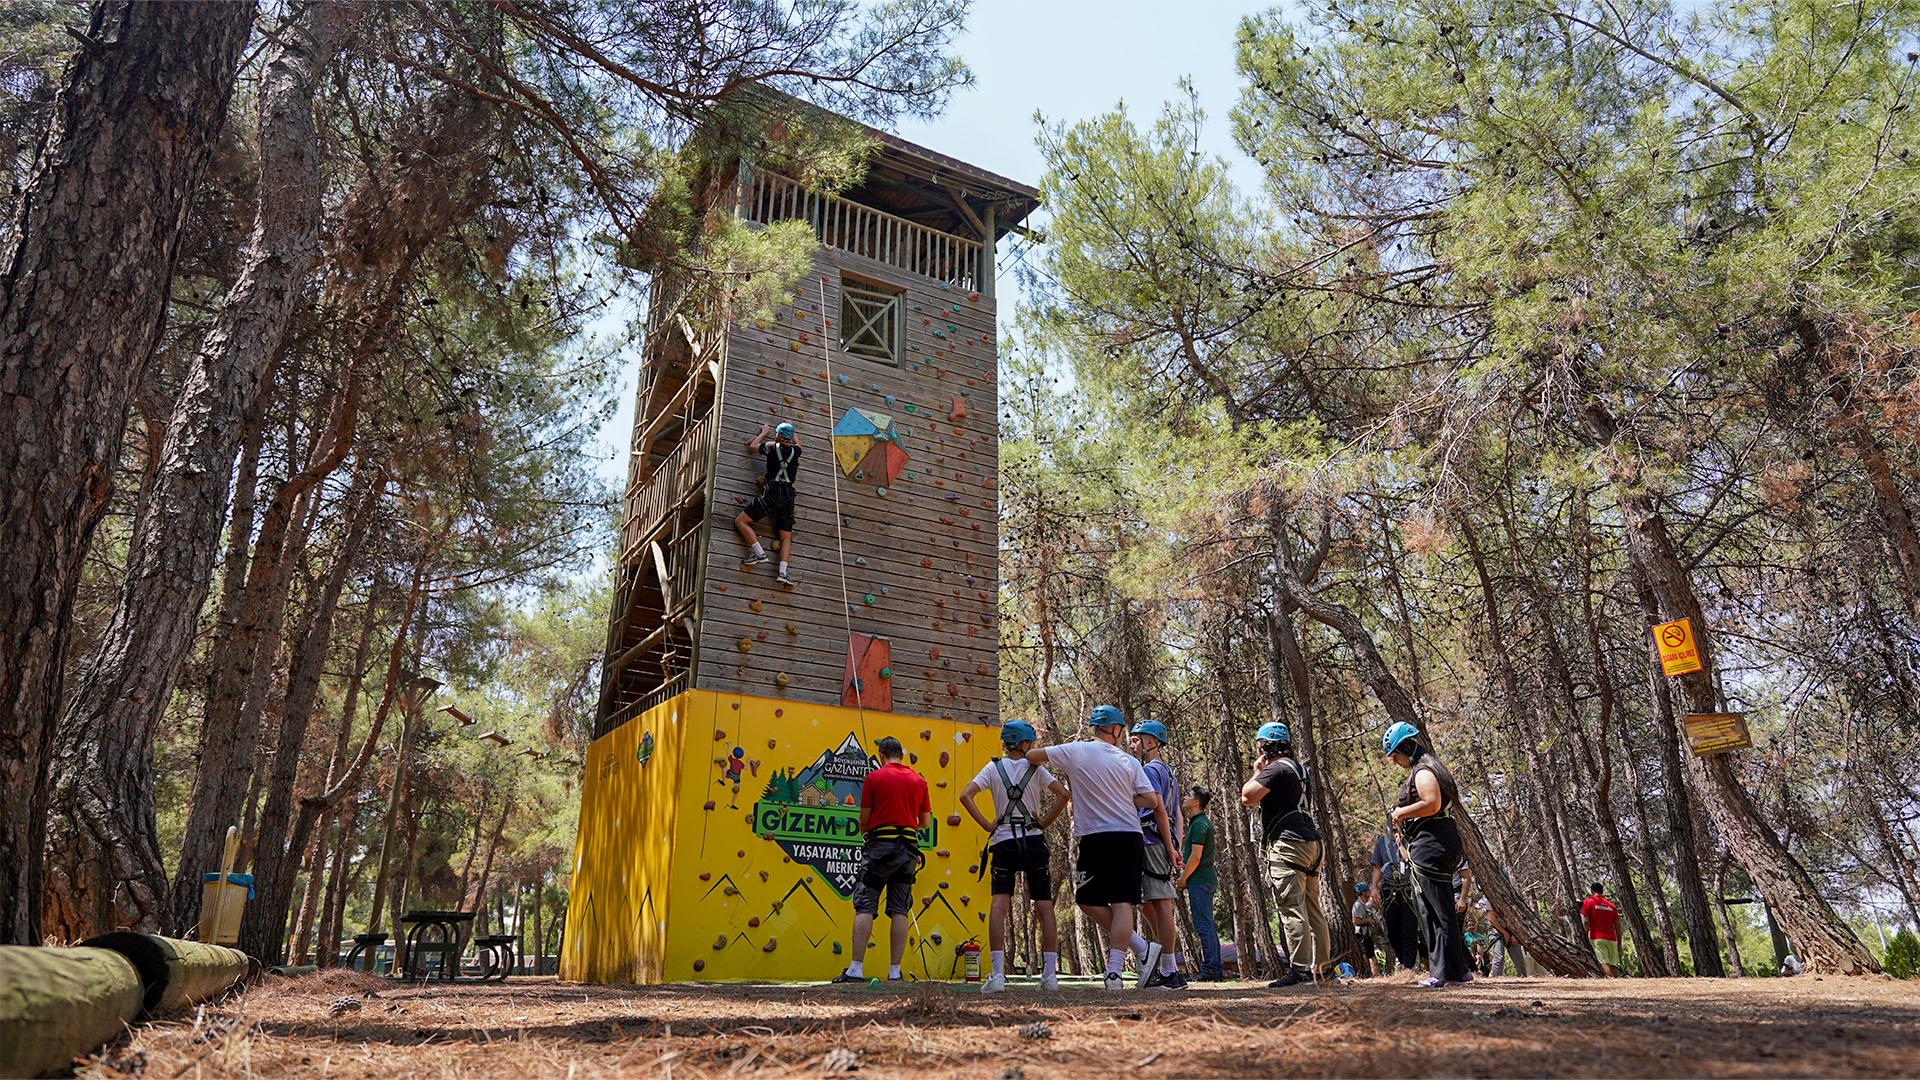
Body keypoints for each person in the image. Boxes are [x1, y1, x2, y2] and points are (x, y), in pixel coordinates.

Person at [1024, 705, 1179, 992]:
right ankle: (1139, 951)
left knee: (1090, 901)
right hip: (1128, 837)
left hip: (1094, 837)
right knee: (1116, 903)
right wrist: (1125, 798)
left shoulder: (1075, 750)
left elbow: (1032, 756)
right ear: (1116, 730)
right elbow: (1151, 800)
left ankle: (1115, 971)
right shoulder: (1128, 761)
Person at [958, 720, 1070, 993]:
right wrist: (1044, 822)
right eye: (1030, 743)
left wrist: (988, 825)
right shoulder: (1036, 769)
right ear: (1023, 744)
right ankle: (1049, 976)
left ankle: (997, 975)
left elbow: (965, 796)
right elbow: (1064, 795)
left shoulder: (993, 768)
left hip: (1004, 842)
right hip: (1033, 841)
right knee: (1044, 906)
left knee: (999, 904)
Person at [1382, 721, 1473, 987]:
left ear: (1405, 748)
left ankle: (1444, 973)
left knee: (1432, 908)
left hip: (1431, 843)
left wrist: (1400, 812)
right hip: (1439, 840)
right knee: (1439, 905)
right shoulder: (1431, 767)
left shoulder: (1423, 771)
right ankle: (1459, 969)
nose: (1395, 762)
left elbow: (1431, 803)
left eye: (1395, 756)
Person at [832, 737, 930, 983]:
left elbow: (863, 819)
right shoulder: (919, 781)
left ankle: (856, 970)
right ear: (901, 756)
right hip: (908, 851)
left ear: (881, 756)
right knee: (899, 909)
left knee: (865, 905)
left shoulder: (874, 778)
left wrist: (866, 834)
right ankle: (895, 972)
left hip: (878, 848)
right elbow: (925, 823)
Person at [1241, 721, 1331, 988]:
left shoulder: (1276, 769)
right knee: (1313, 907)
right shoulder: (1299, 770)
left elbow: (1247, 797)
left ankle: (1301, 970)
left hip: (1289, 844)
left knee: (1292, 906)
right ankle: (1323, 969)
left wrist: (1257, 772)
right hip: (1312, 843)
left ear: (1264, 747)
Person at [1128, 719, 1186, 989]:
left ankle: (1169, 969)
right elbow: (1177, 814)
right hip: (1161, 840)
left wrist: (1171, 847)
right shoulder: (1168, 772)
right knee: (1147, 903)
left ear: (1150, 742)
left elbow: (1160, 809)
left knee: (1161, 902)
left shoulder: (1150, 770)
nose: (1132, 745)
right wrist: (1176, 845)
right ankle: (1163, 958)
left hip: (1152, 839)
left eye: (1136, 740)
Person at [735, 421, 801, 587]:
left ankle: (759, 553)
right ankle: (783, 573)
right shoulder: (796, 451)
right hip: (788, 496)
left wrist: (763, 433)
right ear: (791, 438)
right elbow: (799, 445)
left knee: (741, 521)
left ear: (777, 435)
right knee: (786, 538)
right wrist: (793, 431)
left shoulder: (772, 446)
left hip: (772, 492)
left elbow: (753, 447)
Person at [1177, 787, 1225, 982]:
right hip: (1202, 879)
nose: (1185, 797)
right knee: (1206, 925)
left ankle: (1212, 969)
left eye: (1189, 796)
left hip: (1200, 880)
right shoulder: (1199, 823)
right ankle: (1213, 968)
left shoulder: (1199, 824)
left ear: (1196, 803)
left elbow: (1196, 857)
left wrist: (1183, 879)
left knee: (1204, 926)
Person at [1368, 819, 1420, 976]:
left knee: (1409, 928)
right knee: (1392, 929)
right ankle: (1402, 961)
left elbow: (1413, 861)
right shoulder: (1382, 842)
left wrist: (1401, 843)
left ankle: (1409, 966)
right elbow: (1377, 867)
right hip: (1389, 890)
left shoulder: (1411, 840)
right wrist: (1373, 887)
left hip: (1408, 888)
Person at [1581, 882, 1621, 977]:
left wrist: (1584, 933)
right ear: (1602, 891)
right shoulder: (1611, 906)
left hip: (1597, 937)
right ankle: (1617, 982)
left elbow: (1586, 921)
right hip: (1612, 939)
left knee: (1604, 963)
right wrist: (1619, 942)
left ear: (1592, 891)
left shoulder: (1588, 902)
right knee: (1613, 964)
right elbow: (1618, 926)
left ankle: (1611, 983)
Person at [1350, 883, 1378, 977]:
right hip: (1362, 935)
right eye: (1367, 891)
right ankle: (1373, 975)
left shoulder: (1363, 905)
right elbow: (1355, 920)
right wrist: (1368, 920)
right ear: (1363, 892)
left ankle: (1372, 974)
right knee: (1370, 956)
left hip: (1367, 934)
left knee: (1369, 955)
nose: (1369, 893)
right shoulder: (1357, 905)